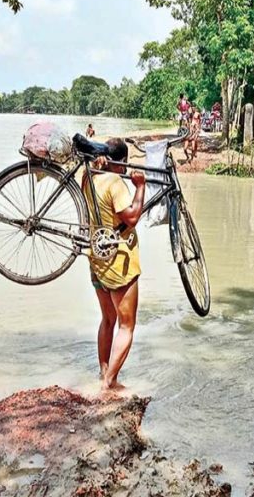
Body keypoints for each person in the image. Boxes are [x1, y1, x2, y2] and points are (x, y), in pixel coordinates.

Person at [82, 138, 146, 391]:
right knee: (126, 324)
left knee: (107, 319)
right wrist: (140, 187)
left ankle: (103, 373)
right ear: (121, 163)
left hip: (96, 257)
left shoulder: (89, 178)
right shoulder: (115, 183)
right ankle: (110, 384)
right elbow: (131, 217)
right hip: (118, 261)